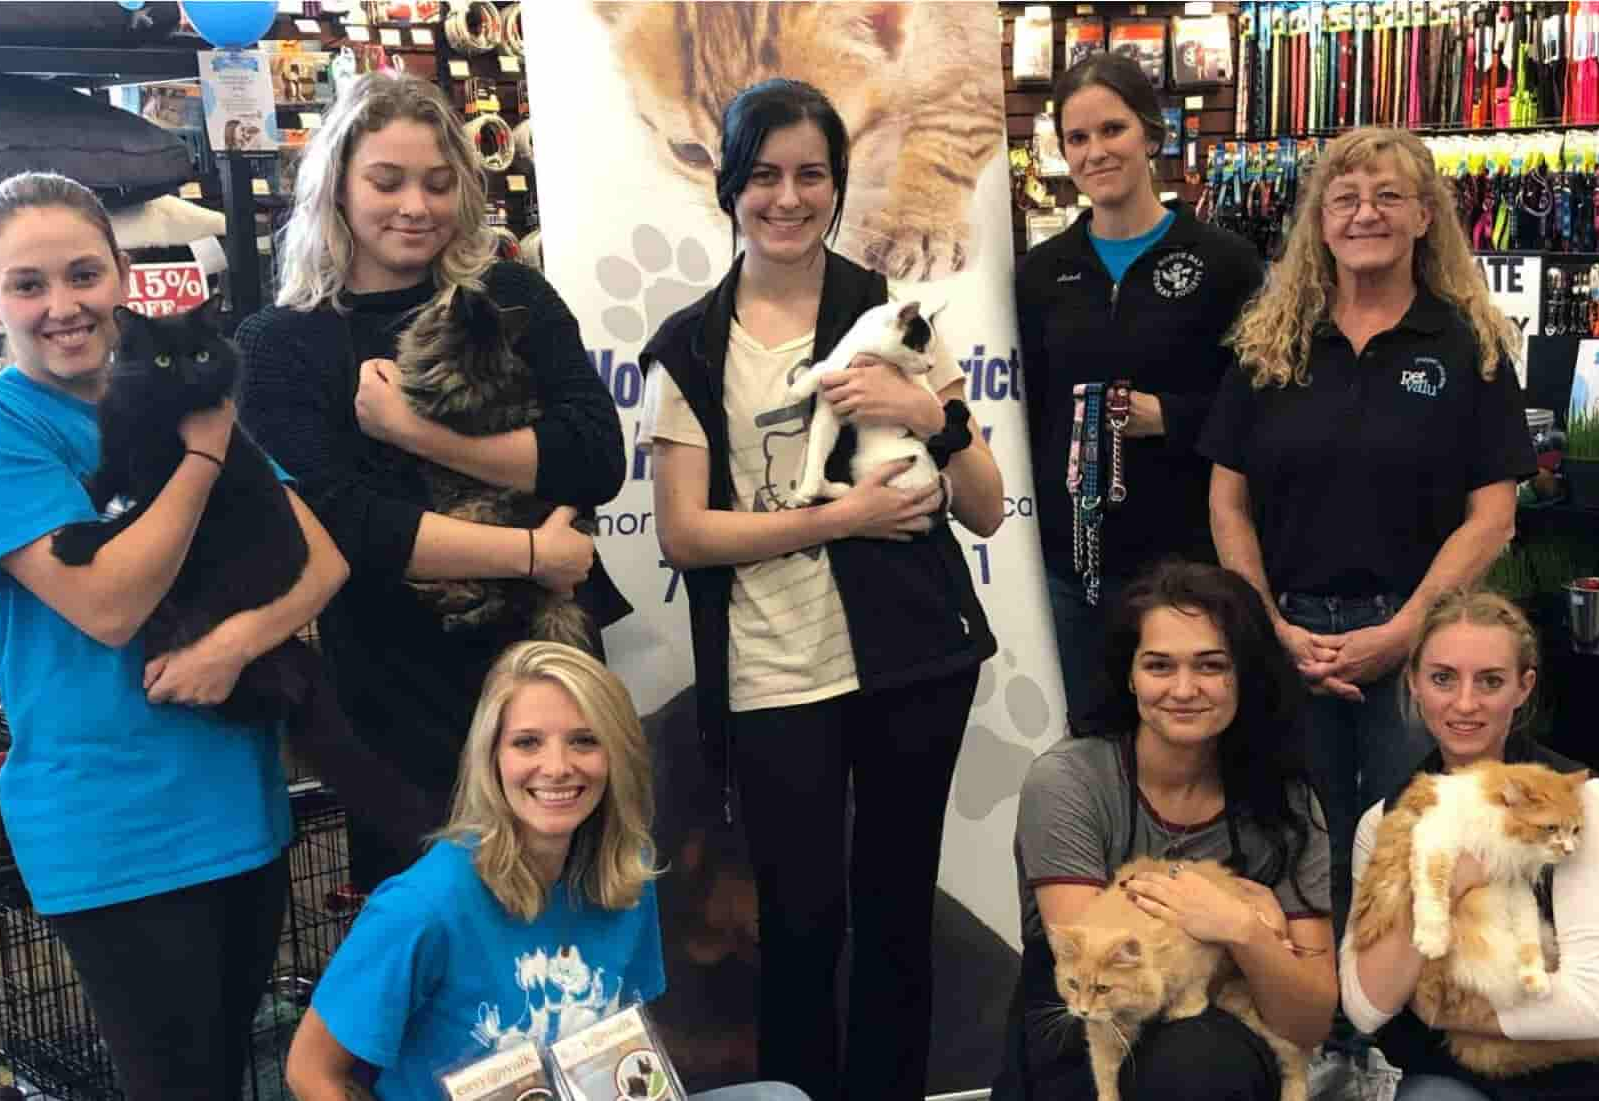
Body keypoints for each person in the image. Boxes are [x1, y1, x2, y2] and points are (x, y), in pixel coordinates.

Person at [0, 171, 345, 1100]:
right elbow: (109, 604)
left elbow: (324, 562)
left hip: (241, 806)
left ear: (121, 275)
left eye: (82, 274)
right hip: (116, 830)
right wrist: (202, 450)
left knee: (226, 1072)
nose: (63, 306)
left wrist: (231, 645)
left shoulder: (171, 384)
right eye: (28, 285)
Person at [642, 78, 1003, 1101]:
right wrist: (837, 519)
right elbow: (682, 534)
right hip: (771, 675)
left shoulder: (891, 320)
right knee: (796, 924)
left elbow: (980, 506)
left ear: (838, 187)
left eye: (811, 175)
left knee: (896, 916)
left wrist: (929, 415)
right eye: (764, 176)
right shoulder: (691, 348)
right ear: (729, 188)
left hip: (913, 665)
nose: (787, 199)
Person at [235, 73, 628, 893]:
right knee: (430, 929)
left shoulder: (510, 293)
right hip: (391, 690)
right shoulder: (282, 343)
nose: (416, 205)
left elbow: (594, 454)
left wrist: (414, 430)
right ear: (337, 188)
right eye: (387, 181)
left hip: (544, 669)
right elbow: (347, 526)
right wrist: (530, 552)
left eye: (438, 182)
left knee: (571, 910)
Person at [1203, 126, 1535, 927]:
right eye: (1345, 198)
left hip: (1419, 650)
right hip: (1292, 642)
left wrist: (1405, 629)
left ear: (1426, 216)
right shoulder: (1270, 344)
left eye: (1388, 196)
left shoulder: (1470, 346)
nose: (1365, 213)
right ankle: (1319, 1029)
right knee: (1297, 846)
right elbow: (1227, 502)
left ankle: (1397, 1037)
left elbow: (1492, 515)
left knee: (1412, 851)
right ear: (1320, 222)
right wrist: (1271, 625)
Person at [284, 641, 808, 1101]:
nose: (557, 767)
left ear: (617, 755)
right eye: (527, 742)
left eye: (584, 740)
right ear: (492, 758)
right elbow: (310, 1071)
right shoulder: (421, 906)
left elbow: (626, 1036)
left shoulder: (630, 871)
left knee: (780, 1097)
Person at [995, 560, 1337, 1101]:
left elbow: (1310, 1020)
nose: (1183, 689)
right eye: (1158, 665)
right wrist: (1259, 921)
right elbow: (1101, 987)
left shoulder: (1286, 800)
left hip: (1215, 1050)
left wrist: (1240, 930)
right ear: (1127, 674)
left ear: (1244, 674)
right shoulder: (1069, 782)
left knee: (1200, 1060)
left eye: (1210, 666)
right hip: (1088, 1046)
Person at [1340, 591, 1599, 1100]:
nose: (1466, 703)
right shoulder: (1383, 820)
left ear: (1524, 687)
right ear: (1413, 684)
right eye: (1443, 678)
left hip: (1590, 1079)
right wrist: (1445, 886)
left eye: (1491, 681)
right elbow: (1366, 1005)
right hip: (1462, 1074)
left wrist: (1447, 1011)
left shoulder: (1578, 798)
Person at [1016, 53, 1265, 736]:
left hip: (1187, 566)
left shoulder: (1225, 265)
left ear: (1150, 135)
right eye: (1078, 138)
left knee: (1188, 743)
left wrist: (1171, 417)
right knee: (1093, 746)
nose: (1096, 152)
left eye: (1112, 130)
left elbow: (1261, 411)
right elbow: (1028, 413)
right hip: (1076, 572)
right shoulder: (1041, 274)